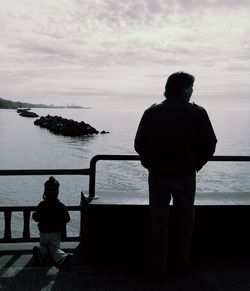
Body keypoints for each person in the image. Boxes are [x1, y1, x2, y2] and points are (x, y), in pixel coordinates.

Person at [134, 72, 217, 278]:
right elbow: (210, 144)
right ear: (185, 89)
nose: (192, 91)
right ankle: (181, 264)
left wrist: (150, 164)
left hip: (158, 175)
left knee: (159, 223)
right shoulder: (198, 112)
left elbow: (139, 144)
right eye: (191, 87)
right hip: (185, 175)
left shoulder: (152, 112)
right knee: (185, 221)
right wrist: (196, 165)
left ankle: (157, 267)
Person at [32, 176, 72, 271]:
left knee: (44, 245)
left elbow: (36, 218)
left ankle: (41, 252)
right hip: (56, 232)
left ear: (45, 191)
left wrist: (34, 215)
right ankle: (62, 258)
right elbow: (67, 218)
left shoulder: (42, 205)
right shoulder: (61, 206)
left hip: (44, 231)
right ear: (57, 192)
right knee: (54, 249)